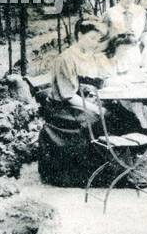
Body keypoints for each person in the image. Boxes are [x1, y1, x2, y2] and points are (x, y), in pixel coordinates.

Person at [37, 19, 111, 187]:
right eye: (91, 38)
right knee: (102, 118)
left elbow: (98, 81)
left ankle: (117, 168)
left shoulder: (91, 56)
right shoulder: (65, 59)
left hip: (84, 101)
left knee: (119, 112)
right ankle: (100, 174)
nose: (94, 43)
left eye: (97, 40)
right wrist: (98, 108)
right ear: (79, 35)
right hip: (64, 108)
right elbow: (68, 95)